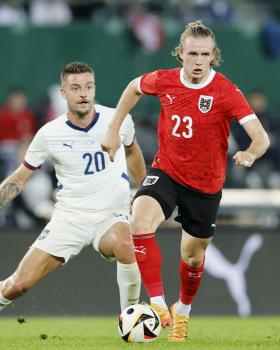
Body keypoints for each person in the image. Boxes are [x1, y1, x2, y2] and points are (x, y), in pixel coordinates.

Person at [101, 21, 270, 342]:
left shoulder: (225, 91)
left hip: (205, 185)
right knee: (139, 219)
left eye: (204, 54)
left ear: (213, 56)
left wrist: (250, 153)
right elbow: (134, 87)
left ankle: (183, 312)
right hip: (167, 171)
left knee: (192, 256)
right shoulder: (164, 80)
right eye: (192, 53)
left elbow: (261, 138)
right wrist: (113, 128)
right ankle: (158, 304)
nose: (197, 60)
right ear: (181, 54)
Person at [0, 61, 146, 314]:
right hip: (69, 218)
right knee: (17, 285)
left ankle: (130, 318)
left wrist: (146, 188)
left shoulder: (117, 120)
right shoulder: (49, 133)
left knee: (125, 245)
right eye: (76, 87)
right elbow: (22, 176)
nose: (83, 93)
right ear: (63, 93)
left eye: (88, 86)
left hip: (111, 215)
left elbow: (132, 151)